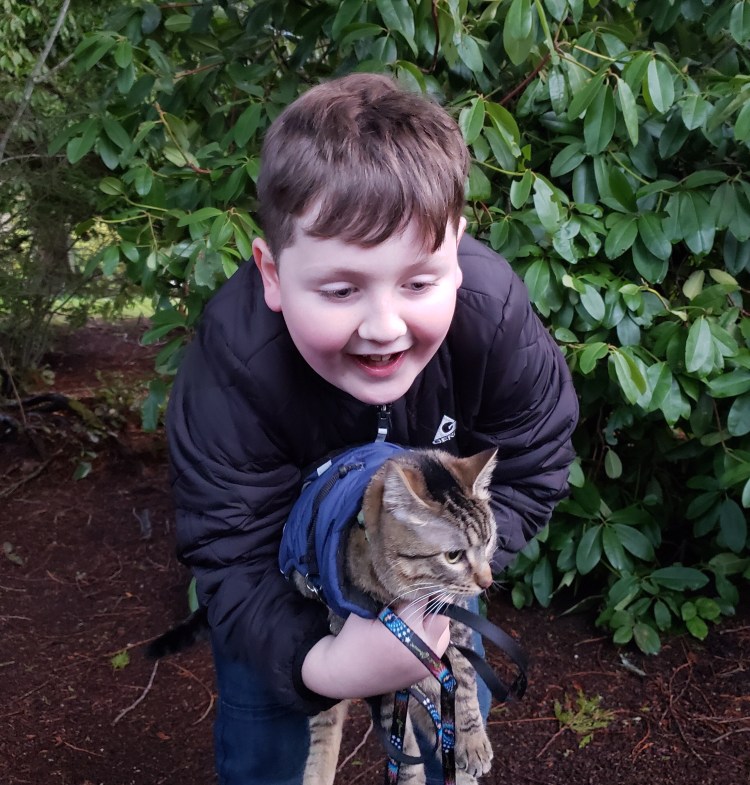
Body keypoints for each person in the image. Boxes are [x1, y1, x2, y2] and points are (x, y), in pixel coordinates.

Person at [167, 73, 578, 785]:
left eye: (418, 282)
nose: (384, 326)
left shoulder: (492, 316)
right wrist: (324, 665)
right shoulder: (234, 363)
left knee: (453, 733)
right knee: (267, 749)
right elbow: (229, 548)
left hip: (431, 565)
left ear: (457, 251)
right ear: (272, 273)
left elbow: (533, 461)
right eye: (340, 289)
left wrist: (436, 567)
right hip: (280, 575)